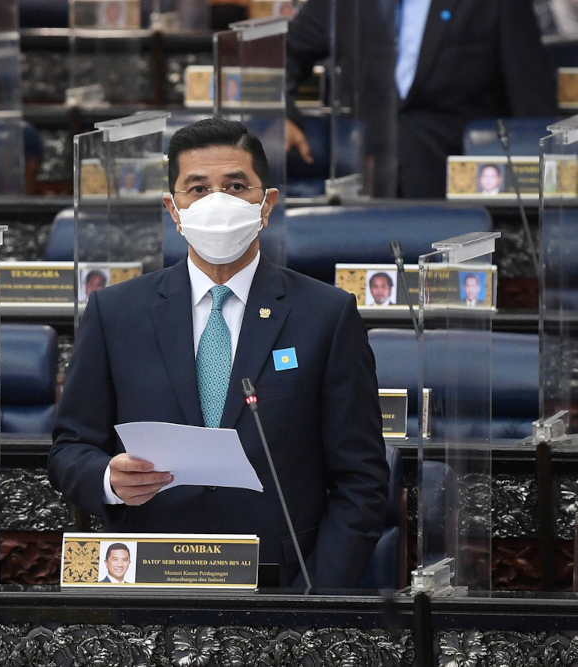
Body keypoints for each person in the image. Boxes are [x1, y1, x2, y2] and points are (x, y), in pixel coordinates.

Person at [49, 118, 389, 588]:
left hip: (284, 583)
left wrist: (317, 597)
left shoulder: (326, 316)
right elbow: (69, 449)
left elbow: (362, 479)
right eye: (197, 189)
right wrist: (108, 478)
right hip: (148, 578)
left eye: (235, 186)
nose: (218, 203)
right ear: (174, 208)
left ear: (266, 203)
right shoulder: (116, 312)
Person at [285, 0, 556, 198]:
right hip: (361, 189)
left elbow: (532, 106)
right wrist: (284, 113)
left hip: (457, 197)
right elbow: (282, 54)